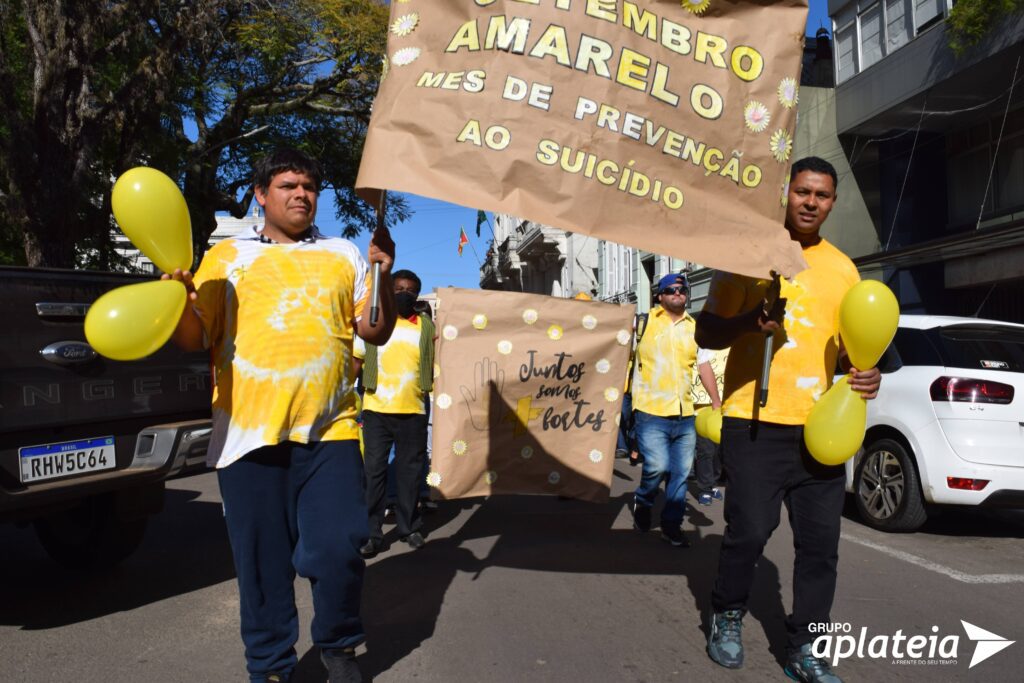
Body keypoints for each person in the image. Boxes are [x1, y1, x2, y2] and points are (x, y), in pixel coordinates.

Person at [164, 148, 396, 683]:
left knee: (340, 546)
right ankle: (270, 666)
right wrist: (177, 297)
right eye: (288, 184)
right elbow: (195, 339)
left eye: (310, 186)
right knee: (263, 567)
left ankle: (339, 644)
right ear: (261, 194)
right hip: (247, 438)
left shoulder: (343, 253)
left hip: (330, 431)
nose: (301, 194)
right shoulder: (226, 258)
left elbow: (374, 330)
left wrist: (381, 271)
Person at [696, 156, 882, 682]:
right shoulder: (747, 258)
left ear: (832, 202)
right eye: (802, 192)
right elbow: (705, 333)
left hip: (820, 429)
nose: (810, 203)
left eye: (821, 196)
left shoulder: (844, 269)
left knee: (821, 547)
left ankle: (808, 649)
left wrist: (867, 375)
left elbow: (852, 352)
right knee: (750, 532)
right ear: (786, 193)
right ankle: (727, 613)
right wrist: (749, 322)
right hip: (753, 421)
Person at [354, 269, 435, 557]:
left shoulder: (426, 326)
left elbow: (438, 362)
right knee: (374, 473)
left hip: (413, 410)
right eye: (398, 288)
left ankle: (408, 527)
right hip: (376, 410)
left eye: (411, 290)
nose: (404, 293)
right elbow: (357, 359)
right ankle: (371, 534)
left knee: (409, 474)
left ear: (417, 295)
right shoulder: (374, 322)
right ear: (388, 291)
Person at [629, 272, 701, 548]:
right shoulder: (642, 323)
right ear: (660, 295)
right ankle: (644, 500)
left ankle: (672, 526)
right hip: (650, 410)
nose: (678, 294)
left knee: (681, 474)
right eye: (671, 290)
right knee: (656, 467)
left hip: (686, 412)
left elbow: (704, 364)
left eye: (682, 290)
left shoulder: (695, 327)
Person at [690, 346, 729, 506]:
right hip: (704, 404)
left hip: (727, 405)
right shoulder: (706, 344)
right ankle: (705, 488)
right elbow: (700, 369)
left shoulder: (735, 344)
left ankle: (712, 481)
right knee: (706, 449)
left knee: (720, 449)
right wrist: (715, 399)